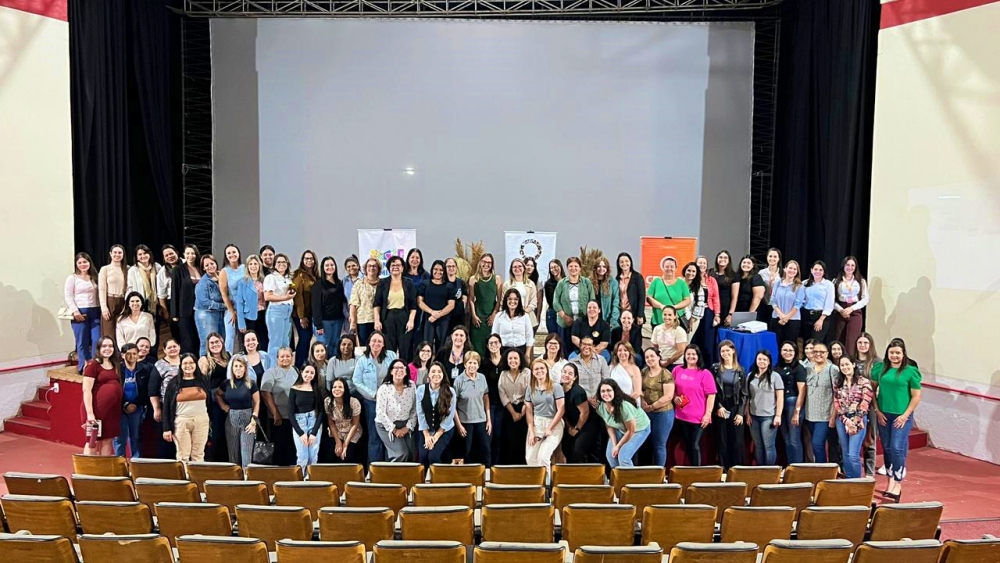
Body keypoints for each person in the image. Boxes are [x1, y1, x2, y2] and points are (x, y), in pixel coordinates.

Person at [871, 338, 922, 501]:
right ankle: (890, 481)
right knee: (886, 447)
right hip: (884, 414)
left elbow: (916, 396)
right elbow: (871, 391)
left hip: (902, 415)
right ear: (887, 353)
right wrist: (877, 410)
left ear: (903, 353)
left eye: (898, 353)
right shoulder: (880, 369)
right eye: (892, 352)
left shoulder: (910, 371)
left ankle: (898, 483)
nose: (894, 355)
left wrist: (905, 415)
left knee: (896, 447)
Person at [353, 332, 397, 465]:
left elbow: (398, 374)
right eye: (374, 341)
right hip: (371, 402)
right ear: (369, 343)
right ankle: (374, 468)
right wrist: (374, 394)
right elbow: (356, 381)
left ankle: (389, 467)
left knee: (389, 434)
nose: (376, 344)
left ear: (383, 344)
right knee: (374, 436)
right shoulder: (362, 360)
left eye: (379, 341)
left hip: (390, 402)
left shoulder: (391, 356)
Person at [671, 344, 717, 466]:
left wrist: (708, 414)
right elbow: (672, 388)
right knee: (686, 444)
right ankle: (690, 470)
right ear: (684, 356)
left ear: (698, 356)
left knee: (694, 445)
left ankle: (697, 471)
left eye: (693, 354)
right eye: (688, 354)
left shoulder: (705, 373)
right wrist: (675, 397)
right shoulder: (677, 370)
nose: (691, 356)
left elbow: (711, 395)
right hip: (681, 416)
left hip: (698, 417)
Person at [162, 353, 212, 463]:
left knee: (198, 454)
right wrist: (166, 428)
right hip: (181, 422)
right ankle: (184, 479)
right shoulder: (174, 383)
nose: (188, 366)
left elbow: (209, 401)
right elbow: (166, 406)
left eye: (191, 363)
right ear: (180, 365)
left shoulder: (203, 380)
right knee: (183, 455)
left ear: (196, 364)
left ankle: (197, 479)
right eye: (185, 363)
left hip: (201, 421)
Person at [80, 336, 122, 455]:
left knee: (107, 440)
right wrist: (90, 413)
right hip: (96, 409)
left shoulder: (115, 364)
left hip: (111, 410)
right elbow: (86, 390)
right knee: (92, 441)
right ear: (98, 348)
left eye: (110, 346)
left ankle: (103, 470)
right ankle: (88, 471)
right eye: (104, 346)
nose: (107, 349)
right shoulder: (92, 365)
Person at [596, 379, 651, 468]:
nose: (606, 394)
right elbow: (609, 426)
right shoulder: (601, 407)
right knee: (611, 455)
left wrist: (618, 446)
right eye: (603, 391)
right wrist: (614, 445)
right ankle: (619, 479)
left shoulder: (624, 406)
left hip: (639, 429)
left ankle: (630, 480)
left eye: (609, 390)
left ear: (615, 391)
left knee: (624, 457)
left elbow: (631, 430)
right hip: (621, 429)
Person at [834, 355, 873, 479]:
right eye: (842, 365)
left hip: (859, 420)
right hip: (842, 420)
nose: (845, 367)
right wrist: (846, 421)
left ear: (853, 364)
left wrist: (854, 422)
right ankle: (849, 479)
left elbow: (865, 403)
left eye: (847, 364)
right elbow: (836, 404)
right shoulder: (838, 383)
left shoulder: (864, 382)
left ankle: (858, 483)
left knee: (853, 454)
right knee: (845, 453)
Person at [710, 340, 747, 470]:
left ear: (733, 351)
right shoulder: (715, 368)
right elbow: (712, 391)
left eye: (727, 350)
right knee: (722, 441)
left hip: (736, 406)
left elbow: (744, 394)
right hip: (721, 406)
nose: (725, 353)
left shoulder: (741, 370)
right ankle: (724, 469)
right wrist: (718, 407)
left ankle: (737, 469)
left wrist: (741, 413)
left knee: (736, 441)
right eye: (722, 351)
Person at [218, 354, 260, 469]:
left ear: (245, 368)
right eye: (235, 366)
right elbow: (218, 394)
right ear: (232, 368)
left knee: (246, 455)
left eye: (241, 366)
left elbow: (257, 402)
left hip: (248, 419)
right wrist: (223, 407)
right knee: (233, 454)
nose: (238, 368)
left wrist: (254, 421)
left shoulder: (251, 383)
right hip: (232, 419)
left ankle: (247, 480)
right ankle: (235, 481)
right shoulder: (226, 383)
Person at [373, 255, 417, 362]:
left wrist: (411, 321)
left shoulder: (409, 283)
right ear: (388, 268)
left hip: (404, 316)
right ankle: (390, 373)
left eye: (398, 265)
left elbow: (413, 305)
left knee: (405, 348)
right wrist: (377, 321)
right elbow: (377, 304)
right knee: (389, 348)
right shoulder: (383, 283)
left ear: (402, 268)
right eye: (392, 265)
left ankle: (405, 373)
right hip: (388, 318)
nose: (395, 267)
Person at [525, 358, 565, 475]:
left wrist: (550, 428)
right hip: (537, 423)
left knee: (543, 457)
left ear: (546, 370)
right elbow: (529, 411)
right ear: (532, 372)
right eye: (536, 369)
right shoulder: (530, 388)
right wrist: (532, 432)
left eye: (542, 368)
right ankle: (535, 486)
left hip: (553, 424)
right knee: (531, 458)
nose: (539, 371)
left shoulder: (556, 387)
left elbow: (561, 409)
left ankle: (547, 487)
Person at [261, 347, 300, 466]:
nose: (285, 359)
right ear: (277, 358)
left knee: (292, 448)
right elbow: (265, 393)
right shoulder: (271, 372)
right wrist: (275, 413)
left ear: (292, 358)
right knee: (280, 449)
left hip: (294, 417)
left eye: (288, 356)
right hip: (278, 418)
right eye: (282, 356)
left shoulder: (296, 371)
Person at [374, 359, 417, 462]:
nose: (399, 370)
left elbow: (414, 410)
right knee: (401, 453)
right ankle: (393, 477)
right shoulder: (384, 388)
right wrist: (394, 430)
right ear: (391, 371)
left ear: (406, 371)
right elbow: (380, 413)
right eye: (396, 368)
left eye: (402, 368)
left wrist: (407, 428)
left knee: (412, 453)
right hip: (386, 425)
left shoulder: (411, 386)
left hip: (405, 424)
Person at [453, 352, 492, 466]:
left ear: (478, 365)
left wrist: (488, 419)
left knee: (485, 449)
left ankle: (487, 475)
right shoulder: (459, 381)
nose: (472, 365)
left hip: (481, 420)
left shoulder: (482, 378)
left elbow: (486, 398)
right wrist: (459, 425)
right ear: (465, 364)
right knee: (467, 451)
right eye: (469, 362)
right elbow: (453, 405)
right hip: (465, 422)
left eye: (475, 363)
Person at [747, 350, 784, 466]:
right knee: (758, 445)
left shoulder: (775, 376)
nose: (762, 362)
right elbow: (747, 397)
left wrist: (778, 416)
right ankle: (760, 469)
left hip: (769, 416)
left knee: (769, 445)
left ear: (769, 362)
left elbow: (780, 398)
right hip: (754, 416)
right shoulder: (750, 375)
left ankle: (770, 471)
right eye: (760, 359)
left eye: (765, 360)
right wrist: (747, 415)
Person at [639, 348, 675, 467]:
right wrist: (643, 401)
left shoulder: (666, 374)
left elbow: (669, 396)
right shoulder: (643, 371)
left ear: (658, 357)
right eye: (647, 357)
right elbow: (639, 389)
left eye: (652, 356)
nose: (650, 359)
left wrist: (652, 407)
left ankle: (660, 472)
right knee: (645, 443)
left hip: (663, 413)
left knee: (659, 444)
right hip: (646, 412)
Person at [803, 341, 839, 463]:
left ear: (827, 354)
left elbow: (837, 395)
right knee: (815, 444)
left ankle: (823, 470)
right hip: (809, 414)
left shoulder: (833, 369)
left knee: (817, 444)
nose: (818, 354)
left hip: (825, 415)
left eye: (821, 352)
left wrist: (833, 416)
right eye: (815, 352)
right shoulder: (807, 368)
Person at [416, 362, 457, 466]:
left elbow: (449, 417)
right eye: (433, 371)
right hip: (426, 429)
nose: (436, 374)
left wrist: (435, 438)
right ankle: (422, 481)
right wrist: (427, 436)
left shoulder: (450, 391)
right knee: (423, 457)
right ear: (429, 374)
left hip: (444, 430)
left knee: (433, 456)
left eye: (439, 372)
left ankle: (439, 481)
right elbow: (420, 414)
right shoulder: (420, 390)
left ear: (443, 374)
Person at [198, 332, 231, 462]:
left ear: (222, 343)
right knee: (217, 430)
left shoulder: (229, 357)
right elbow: (202, 382)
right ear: (208, 345)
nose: (215, 345)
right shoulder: (205, 359)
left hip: (229, 396)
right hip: (213, 398)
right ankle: (217, 460)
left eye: (217, 342)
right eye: (212, 343)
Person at [66, 253, 101, 373]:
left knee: (97, 339)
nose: (82, 264)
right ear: (76, 264)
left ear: (89, 262)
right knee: (82, 342)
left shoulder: (95, 276)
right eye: (80, 262)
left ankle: (93, 365)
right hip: (80, 312)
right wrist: (75, 311)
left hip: (95, 311)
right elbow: (68, 296)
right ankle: (83, 367)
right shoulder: (73, 278)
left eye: (85, 262)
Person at [112, 343, 147, 459]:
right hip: (119, 409)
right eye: (128, 354)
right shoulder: (116, 370)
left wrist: (135, 404)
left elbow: (145, 390)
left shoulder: (144, 369)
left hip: (136, 408)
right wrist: (125, 404)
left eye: (134, 353)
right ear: (122, 355)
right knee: (120, 438)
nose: (131, 356)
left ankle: (136, 464)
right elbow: (114, 390)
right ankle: (119, 464)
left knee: (135, 437)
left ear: (138, 355)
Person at [496, 348, 530, 465]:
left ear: (520, 360)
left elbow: (530, 393)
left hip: (525, 408)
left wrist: (523, 411)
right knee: (509, 439)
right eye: (510, 358)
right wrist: (513, 413)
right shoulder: (503, 374)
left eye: (516, 358)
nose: (513, 361)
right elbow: (503, 395)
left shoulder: (527, 373)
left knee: (522, 439)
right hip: (509, 410)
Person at [553, 257, 594, 350]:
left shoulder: (587, 282)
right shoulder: (561, 283)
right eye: (570, 266)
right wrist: (564, 316)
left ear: (580, 268)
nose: (573, 268)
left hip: (583, 322)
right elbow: (555, 302)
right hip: (565, 322)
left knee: (581, 348)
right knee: (565, 348)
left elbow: (592, 301)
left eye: (576, 266)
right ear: (567, 268)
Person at [149, 339, 181, 459]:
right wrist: (157, 409)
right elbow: (153, 389)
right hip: (166, 406)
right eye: (169, 347)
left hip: (184, 406)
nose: (172, 349)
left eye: (175, 346)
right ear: (164, 350)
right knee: (167, 439)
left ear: (179, 347)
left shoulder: (186, 360)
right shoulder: (159, 365)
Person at [289, 362, 325, 471]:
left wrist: (314, 432)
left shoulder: (317, 389)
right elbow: (290, 413)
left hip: (314, 421)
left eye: (312, 373)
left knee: (313, 456)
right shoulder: (294, 389)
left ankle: (311, 481)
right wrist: (300, 433)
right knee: (302, 456)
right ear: (301, 372)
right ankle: (300, 482)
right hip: (300, 422)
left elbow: (321, 412)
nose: (309, 375)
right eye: (307, 372)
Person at [776, 341, 807, 464]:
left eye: (790, 351)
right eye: (785, 350)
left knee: (794, 439)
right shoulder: (777, 367)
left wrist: (797, 411)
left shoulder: (799, 368)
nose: (787, 353)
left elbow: (802, 392)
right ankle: (790, 466)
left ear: (795, 352)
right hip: (780, 404)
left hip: (792, 403)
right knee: (787, 439)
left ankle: (798, 468)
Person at [832, 256, 869, 357]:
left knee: (851, 341)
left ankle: (850, 363)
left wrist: (851, 308)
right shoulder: (836, 281)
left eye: (852, 265)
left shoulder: (861, 281)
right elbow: (832, 300)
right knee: (839, 340)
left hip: (855, 310)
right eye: (847, 265)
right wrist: (840, 310)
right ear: (843, 266)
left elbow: (865, 299)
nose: (850, 267)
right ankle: (838, 364)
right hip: (841, 310)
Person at [854, 332, 880, 477]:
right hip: (852, 405)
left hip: (870, 405)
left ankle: (869, 474)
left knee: (869, 440)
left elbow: (877, 385)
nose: (862, 345)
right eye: (860, 342)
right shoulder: (851, 360)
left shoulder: (877, 363)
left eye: (865, 343)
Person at [559, 363, 595, 464]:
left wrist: (577, 428)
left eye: (570, 374)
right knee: (565, 448)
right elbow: (562, 412)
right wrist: (569, 426)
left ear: (575, 377)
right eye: (564, 372)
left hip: (585, 424)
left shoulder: (578, 392)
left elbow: (585, 412)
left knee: (576, 450)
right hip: (570, 423)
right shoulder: (558, 389)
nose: (566, 375)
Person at [469, 254, 503, 357]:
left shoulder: (497, 279)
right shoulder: (473, 279)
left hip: (491, 317)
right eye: (484, 261)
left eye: (489, 262)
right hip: (478, 317)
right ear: (480, 262)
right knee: (477, 347)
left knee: (491, 346)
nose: (486, 264)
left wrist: (494, 315)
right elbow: (471, 299)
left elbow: (499, 299)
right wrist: (474, 315)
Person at [170, 244, 201, 355]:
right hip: (184, 311)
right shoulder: (178, 270)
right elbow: (174, 291)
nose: (190, 256)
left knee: (199, 337)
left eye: (193, 253)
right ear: (184, 255)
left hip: (200, 310)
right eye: (188, 253)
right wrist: (174, 314)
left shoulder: (201, 268)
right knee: (187, 339)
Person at [417, 260, 456, 351]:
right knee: (427, 345)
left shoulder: (449, 286)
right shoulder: (425, 284)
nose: (438, 272)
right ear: (432, 270)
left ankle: (440, 365)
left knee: (441, 347)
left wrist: (438, 314)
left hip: (443, 321)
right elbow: (419, 302)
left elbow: (451, 305)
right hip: (428, 319)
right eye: (435, 269)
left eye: (441, 270)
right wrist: (432, 312)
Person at [313, 256, 347, 356]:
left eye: (332, 265)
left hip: (338, 320)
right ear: (322, 268)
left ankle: (332, 368)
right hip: (324, 321)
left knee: (335, 345)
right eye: (327, 265)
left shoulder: (339, 283)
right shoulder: (318, 285)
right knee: (324, 346)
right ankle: (322, 369)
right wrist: (318, 325)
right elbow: (316, 306)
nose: (330, 267)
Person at [193, 255, 226, 357]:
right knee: (208, 343)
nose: (210, 266)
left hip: (220, 313)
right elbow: (204, 302)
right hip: (206, 314)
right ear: (203, 268)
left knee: (220, 342)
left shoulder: (221, 276)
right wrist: (225, 306)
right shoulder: (203, 283)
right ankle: (204, 368)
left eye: (212, 263)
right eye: (206, 265)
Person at [264, 254, 296, 359]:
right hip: (276, 311)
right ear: (274, 264)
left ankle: (284, 369)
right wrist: (285, 298)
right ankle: (272, 370)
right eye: (279, 262)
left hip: (287, 311)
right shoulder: (271, 277)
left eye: (284, 262)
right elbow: (267, 296)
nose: (282, 264)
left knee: (285, 342)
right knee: (275, 343)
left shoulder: (287, 278)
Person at [647, 256, 692, 329]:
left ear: (676, 268)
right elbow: (649, 298)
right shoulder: (656, 282)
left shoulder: (681, 283)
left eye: (672, 266)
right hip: (658, 321)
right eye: (667, 266)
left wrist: (673, 308)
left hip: (677, 321)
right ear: (663, 268)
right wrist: (661, 306)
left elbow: (687, 300)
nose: (669, 269)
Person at [291, 250, 319, 367]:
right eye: (306, 258)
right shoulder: (299, 274)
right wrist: (302, 317)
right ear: (302, 260)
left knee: (308, 339)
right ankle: (298, 365)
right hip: (300, 315)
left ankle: (305, 362)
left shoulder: (315, 276)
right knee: (304, 338)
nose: (309, 261)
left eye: (311, 258)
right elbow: (298, 296)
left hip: (311, 314)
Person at [325, 377, 362, 463]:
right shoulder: (327, 401)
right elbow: (331, 423)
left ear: (345, 389)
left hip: (351, 432)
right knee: (332, 454)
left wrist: (345, 444)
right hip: (336, 432)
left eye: (340, 387)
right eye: (334, 387)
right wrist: (338, 441)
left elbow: (355, 424)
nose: (337, 389)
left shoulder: (353, 402)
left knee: (347, 455)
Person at [769, 260, 806, 346]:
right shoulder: (777, 283)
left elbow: (798, 305)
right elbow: (773, 300)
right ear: (785, 269)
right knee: (776, 345)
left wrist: (786, 318)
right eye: (790, 268)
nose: (792, 270)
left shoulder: (800, 286)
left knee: (790, 346)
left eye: (794, 269)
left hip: (793, 321)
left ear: (797, 272)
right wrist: (781, 315)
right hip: (776, 319)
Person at [217, 244, 245, 354]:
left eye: (234, 252)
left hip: (245, 308)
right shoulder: (224, 271)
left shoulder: (245, 268)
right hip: (232, 307)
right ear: (226, 256)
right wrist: (232, 311)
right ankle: (228, 361)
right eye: (229, 253)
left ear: (238, 253)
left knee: (245, 336)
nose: (232, 255)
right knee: (230, 336)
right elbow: (224, 294)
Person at [692, 256, 722, 360]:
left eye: (704, 263)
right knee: (694, 339)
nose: (702, 265)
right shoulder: (691, 278)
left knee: (708, 341)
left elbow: (716, 298)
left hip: (708, 312)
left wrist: (717, 314)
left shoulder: (711, 280)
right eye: (700, 263)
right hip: (694, 313)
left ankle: (708, 366)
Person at [233, 255, 265, 351]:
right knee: (250, 343)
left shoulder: (264, 280)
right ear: (247, 267)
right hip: (249, 317)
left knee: (262, 341)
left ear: (259, 266)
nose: (253, 266)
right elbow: (239, 303)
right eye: (250, 264)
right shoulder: (243, 282)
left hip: (263, 314)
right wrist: (241, 323)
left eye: (255, 264)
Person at [126, 244, 162, 329]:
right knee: (143, 329)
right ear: (137, 257)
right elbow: (129, 288)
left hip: (156, 304)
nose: (143, 256)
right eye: (140, 254)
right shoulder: (133, 270)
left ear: (149, 254)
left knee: (155, 330)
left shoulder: (157, 267)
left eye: (145, 253)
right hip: (140, 304)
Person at [98, 244, 129, 341]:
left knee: (123, 332)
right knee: (109, 333)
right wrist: (104, 307)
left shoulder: (128, 269)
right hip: (110, 300)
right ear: (110, 254)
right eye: (115, 252)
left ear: (123, 254)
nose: (117, 254)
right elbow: (102, 289)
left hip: (124, 300)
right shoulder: (105, 269)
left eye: (120, 252)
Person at [349, 257, 381, 345]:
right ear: (365, 269)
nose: (372, 268)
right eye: (369, 266)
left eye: (374, 266)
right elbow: (353, 304)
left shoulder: (383, 284)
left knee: (378, 346)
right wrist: (353, 322)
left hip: (379, 321)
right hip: (363, 321)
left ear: (378, 269)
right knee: (365, 347)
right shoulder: (359, 284)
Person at [802, 261, 835, 345]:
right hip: (806, 315)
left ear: (824, 272)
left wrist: (821, 320)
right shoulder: (804, 283)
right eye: (815, 269)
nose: (818, 272)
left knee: (815, 343)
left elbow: (829, 304)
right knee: (806, 343)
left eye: (820, 270)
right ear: (811, 270)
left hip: (820, 316)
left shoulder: (828, 285)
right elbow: (800, 300)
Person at [494, 288, 534, 358]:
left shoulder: (525, 316)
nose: (513, 301)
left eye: (515, 299)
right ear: (506, 300)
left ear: (519, 301)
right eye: (510, 299)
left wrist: (527, 354)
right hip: (504, 350)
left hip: (521, 350)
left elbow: (529, 336)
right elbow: (495, 336)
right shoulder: (499, 316)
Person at [571, 335, 610, 401]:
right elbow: (572, 384)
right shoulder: (573, 362)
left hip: (599, 399)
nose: (587, 347)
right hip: (580, 400)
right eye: (584, 344)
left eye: (589, 345)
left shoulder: (601, 360)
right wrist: (587, 399)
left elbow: (606, 380)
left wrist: (598, 396)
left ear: (593, 346)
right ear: (580, 345)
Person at [504, 258, 539, 327]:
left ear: (524, 268)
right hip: (511, 318)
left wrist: (523, 313)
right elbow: (503, 302)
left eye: (520, 266)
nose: (517, 268)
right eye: (515, 267)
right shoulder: (507, 284)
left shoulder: (531, 284)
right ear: (511, 269)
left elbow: (534, 302)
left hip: (528, 319)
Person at [615, 252, 647, 328]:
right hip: (621, 314)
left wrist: (640, 315)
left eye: (626, 261)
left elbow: (642, 296)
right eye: (621, 262)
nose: (624, 263)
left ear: (630, 262)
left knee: (635, 338)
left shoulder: (637, 277)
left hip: (634, 313)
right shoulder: (617, 279)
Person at [157, 245, 180, 343]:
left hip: (188, 301)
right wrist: (166, 312)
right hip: (172, 303)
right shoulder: (162, 272)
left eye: (171, 253)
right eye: (166, 255)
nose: (170, 256)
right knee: (176, 332)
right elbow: (161, 295)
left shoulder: (186, 264)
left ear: (177, 253)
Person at [711, 251, 740, 328]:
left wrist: (730, 314)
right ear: (717, 259)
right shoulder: (710, 272)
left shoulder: (734, 275)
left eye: (725, 258)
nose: (722, 259)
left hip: (725, 309)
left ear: (729, 260)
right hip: (711, 308)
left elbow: (734, 297)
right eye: (720, 257)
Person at [590, 256, 620, 329]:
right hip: (591, 319)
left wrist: (613, 320)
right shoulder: (589, 282)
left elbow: (616, 302)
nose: (601, 269)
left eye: (604, 266)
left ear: (607, 268)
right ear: (595, 268)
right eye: (599, 266)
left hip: (607, 320)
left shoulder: (613, 282)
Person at [609, 341, 642, 406]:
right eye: (620, 350)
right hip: (615, 404)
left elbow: (637, 392)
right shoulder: (611, 367)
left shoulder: (635, 368)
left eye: (625, 350)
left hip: (630, 404)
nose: (622, 353)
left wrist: (624, 404)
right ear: (616, 353)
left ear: (629, 352)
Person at [757, 248, 782, 323]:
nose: (772, 259)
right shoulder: (761, 273)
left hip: (778, 306)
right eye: (770, 256)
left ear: (779, 258)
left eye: (775, 257)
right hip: (763, 304)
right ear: (767, 257)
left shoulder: (783, 273)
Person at [444, 257, 469, 333]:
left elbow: (465, 295)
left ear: (456, 268)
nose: (451, 268)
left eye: (453, 266)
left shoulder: (461, 282)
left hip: (459, 316)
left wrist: (463, 304)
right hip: (446, 317)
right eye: (449, 266)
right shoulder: (442, 282)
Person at [543, 259, 566, 337]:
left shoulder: (567, 281)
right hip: (553, 313)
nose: (554, 269)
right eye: (551, 268)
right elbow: (550, 301)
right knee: (554, 337)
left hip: (566, 313)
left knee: (564, 338)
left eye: (556, 266)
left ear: (560, 267)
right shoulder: (548, 284)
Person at [523, 257, 544, 333]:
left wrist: (537, 317)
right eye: (527, 265)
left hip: (532, 313)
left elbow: (539, 302)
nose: (529, 267)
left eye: (532, 266)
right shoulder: (518, 280)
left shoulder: (537, 283)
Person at [342, 256, 361, 331]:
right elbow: (343, 300)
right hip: (349, 318)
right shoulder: (344, 281)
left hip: (362, 317)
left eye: (353, 265)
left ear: (358, 266)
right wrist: (347, 315)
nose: (351, 268)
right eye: (348, 266)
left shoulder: (365, 278)